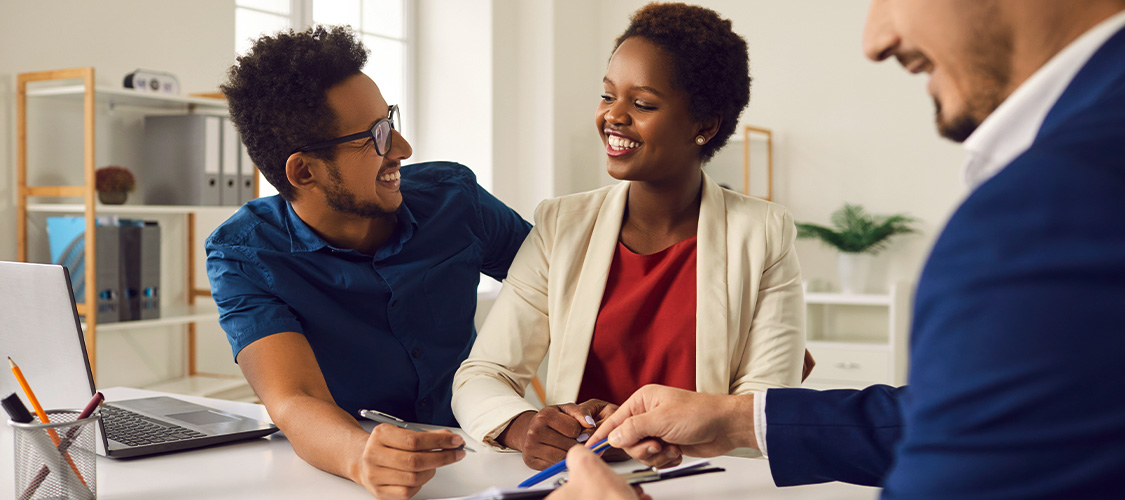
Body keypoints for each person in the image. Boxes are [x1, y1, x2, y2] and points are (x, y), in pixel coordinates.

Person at [557, 0, 1125, 498]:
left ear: (704, 126)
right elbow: (972, 422)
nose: (874, 39)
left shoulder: (1054, 201)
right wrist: (737, 419)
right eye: (608, 95)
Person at [451, 2, 808, 471]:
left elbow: (764, 403)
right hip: (583, 480)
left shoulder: (763, 233)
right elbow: (483, 374)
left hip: (704, 482)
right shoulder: (561, 225)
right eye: (606, 96)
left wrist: (638, 430)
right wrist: (522, 426)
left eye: (641, 104)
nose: (612, 117)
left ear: (704, 126)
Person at [206, 26, 531, 500]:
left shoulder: (455, 200)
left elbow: (567, 290)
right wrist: (361, 457)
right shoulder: (246, 254)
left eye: (390, 120)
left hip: (487, 450)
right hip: (349, 472)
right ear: (304, 170)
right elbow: (295, 399)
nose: (402, 148)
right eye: (376, 136)